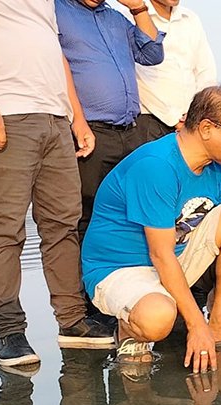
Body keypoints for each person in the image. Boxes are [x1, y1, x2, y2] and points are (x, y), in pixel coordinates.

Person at [81, 86, 221, 374]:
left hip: (174, 258)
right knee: (158, 318)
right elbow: (160, 254)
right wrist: (196, 326)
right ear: (206, 128)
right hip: (121, 269)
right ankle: (129, 330)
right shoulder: (156, 166)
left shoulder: (216, 169)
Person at [0, 0, 117, 368]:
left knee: (63, 223)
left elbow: (55, 51)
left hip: (56, 119)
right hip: (11, 111)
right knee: (6, 228)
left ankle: (72, 319)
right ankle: (7, 329)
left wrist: (77, 117)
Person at [55, 0, 165, 236]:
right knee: (85, 213)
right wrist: (77, 121)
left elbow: (153, 54)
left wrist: (138, 7)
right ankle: (84, 262)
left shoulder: (115, 18)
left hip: (131, 132)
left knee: (131, 212)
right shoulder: (56, 10)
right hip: (89, 134)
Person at [130, 0, 217, 141]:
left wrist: (198, 113)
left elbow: (205, 73)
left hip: (192, 122)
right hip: (151, 120)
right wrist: (173, 118)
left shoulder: (190, 19)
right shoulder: (130, 15)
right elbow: (136, 78)